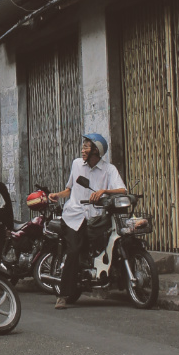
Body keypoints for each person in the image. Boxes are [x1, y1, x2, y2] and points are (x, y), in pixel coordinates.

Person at [48, 132, 127, 309]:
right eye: (83, 146)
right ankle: (63, 294)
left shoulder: (109, 169)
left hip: (96, 217)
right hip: (73, 216)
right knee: (74, 250)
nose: (83, 150)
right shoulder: (77, 164)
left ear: (96, 151)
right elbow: (69, 189)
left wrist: (104, 192)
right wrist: (57, 195)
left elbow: (122, 189)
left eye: (86, 147)